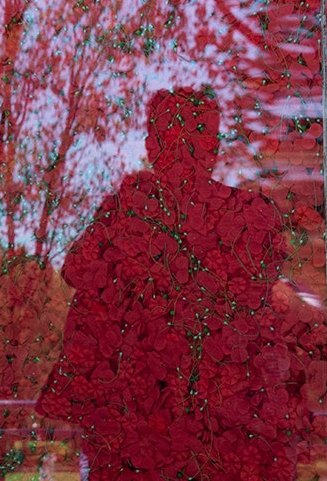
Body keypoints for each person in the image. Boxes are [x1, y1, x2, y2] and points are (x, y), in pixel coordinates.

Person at [36, 87, 300, 479]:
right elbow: (78, 274)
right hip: (199, 424)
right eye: (190, 140)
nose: (192, 153)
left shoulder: (139, 208)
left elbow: (77, 273)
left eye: (194, 140)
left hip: (164, 420)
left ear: (152, 145)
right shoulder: (245, 214)